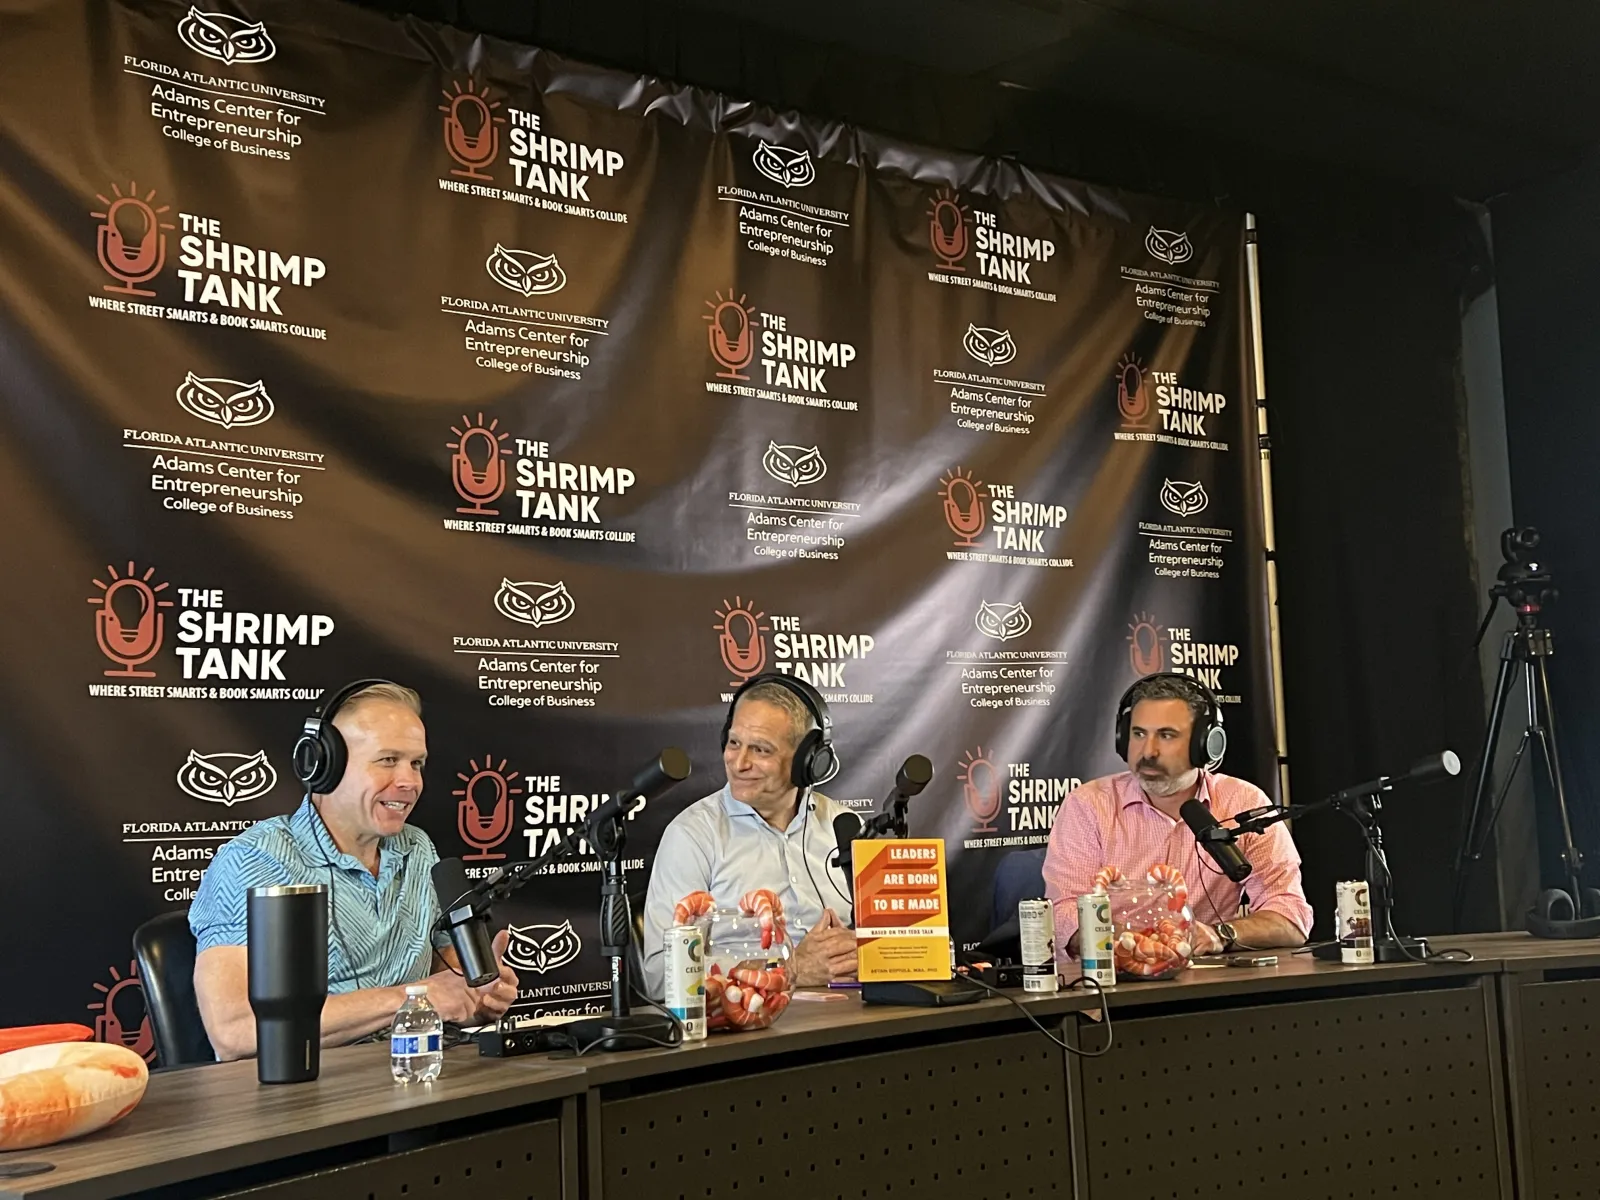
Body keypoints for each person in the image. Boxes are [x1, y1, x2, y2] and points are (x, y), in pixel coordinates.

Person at [190, 680, 519, 1061]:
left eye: (416, 763)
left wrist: (477, 993)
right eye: (387, 760)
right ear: (324, 764)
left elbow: (444, 978)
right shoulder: (256, 860)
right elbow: (235, 1032)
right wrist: (412, 997)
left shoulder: (417, 849)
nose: (410, 781)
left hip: (412, 1077)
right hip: (304, 1098)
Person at [1043, 673, 1312, 957]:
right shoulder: (1088, 805)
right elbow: (1064, 916)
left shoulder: (1241, 802)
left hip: (1202, 985)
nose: (1148, 751)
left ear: (1205, 744)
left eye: (1166, 735)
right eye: (1138, 734)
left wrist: (1220, 935)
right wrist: (1132, 944)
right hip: (1107, 986)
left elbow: (1290, 915)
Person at [642, 674, 859, 996]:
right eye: (733, 743)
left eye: (760, 749)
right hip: (751, 1033)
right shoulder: (692, 836)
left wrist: (872, 949)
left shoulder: (846, 827)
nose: (739, 762)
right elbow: (662, 977)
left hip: (859, 1021)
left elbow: (912, 945)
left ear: (808, 760)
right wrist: (789, 967)